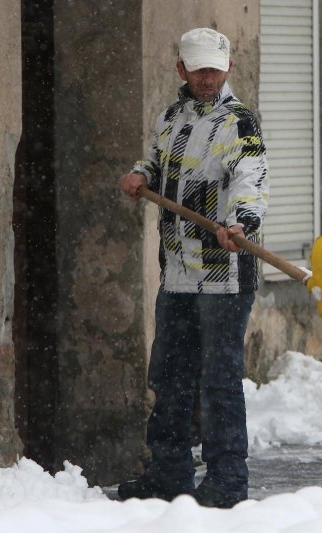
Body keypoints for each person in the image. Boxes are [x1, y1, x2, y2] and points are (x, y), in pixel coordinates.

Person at [117, 27, 268, 508]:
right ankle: (168, 472)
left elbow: (250, 177)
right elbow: (162, 164)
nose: (208, 77)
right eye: (199, 68)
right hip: (179, 271)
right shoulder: (171, 118)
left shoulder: (239, 121)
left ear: (228, 68)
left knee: (219, 379)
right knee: (169, 373)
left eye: (215, 69)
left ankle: (227, 480)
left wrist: (241, 221)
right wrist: (143, 174)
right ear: (181, 69)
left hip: (225, 274)